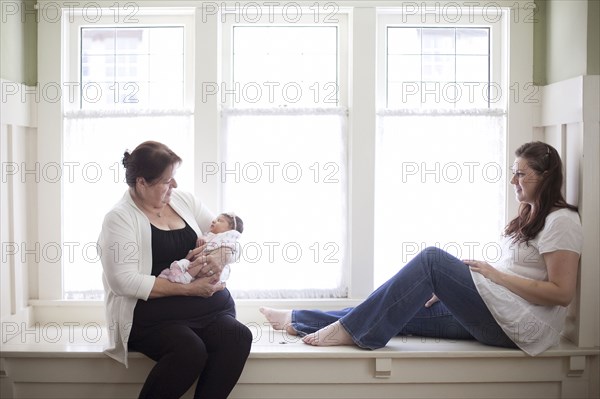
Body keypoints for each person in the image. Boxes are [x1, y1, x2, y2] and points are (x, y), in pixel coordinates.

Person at [261, 141, 583, 356]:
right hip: (495, 310)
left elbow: (561, 293)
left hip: (517, 329)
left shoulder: (562, 221)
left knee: (431, 260)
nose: (513, 180)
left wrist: (493, 276)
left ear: (545, 177)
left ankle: (356, 336)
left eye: (520, 174)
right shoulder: (529, 214)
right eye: (512, 173)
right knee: (398, 306)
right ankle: (298, 318)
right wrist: (450, 289)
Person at [98, 141, 252, 399]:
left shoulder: (184, 201)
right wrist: (190, 290)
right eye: (166, 181)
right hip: (153, 317)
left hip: (211, 308)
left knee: (238, 337)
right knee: (189, 351)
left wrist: (223, 254)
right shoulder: (119, 218)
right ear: (141, 183)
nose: (175, 186)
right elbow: (122, 281)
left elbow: (230, 236)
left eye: (174, 178)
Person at [159, 212, 243, 284]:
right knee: (187, 263)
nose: (213, 220)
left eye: (219, 221)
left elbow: (198, 251)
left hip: (209, 266)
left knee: (194, 263)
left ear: (230, 231)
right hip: (201, 264)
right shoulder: (209, 236)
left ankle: (185, 278)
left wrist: (190, 255)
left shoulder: (221, 240)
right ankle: (174, 275)